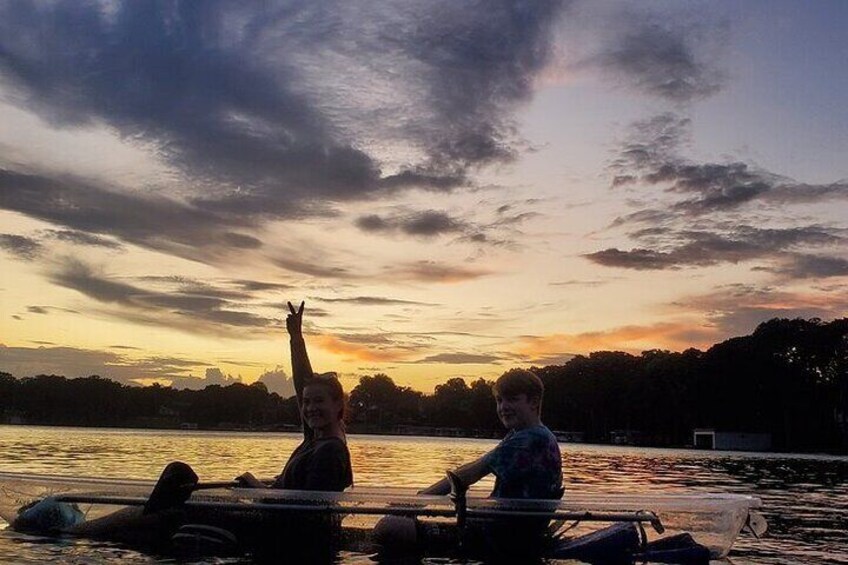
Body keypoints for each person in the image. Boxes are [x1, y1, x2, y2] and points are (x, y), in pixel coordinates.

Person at [374, 368, 562, 558]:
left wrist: (417, 502)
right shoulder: (533, 435)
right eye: (499, 400)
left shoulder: (530, 439)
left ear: (534, 402)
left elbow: (468, 474)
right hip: (505, 530)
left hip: (498, 537)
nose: (503, 407)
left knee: (390, 527)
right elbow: (474, 467)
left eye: (512, 399)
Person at [236, 300, 353, 492]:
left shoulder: (330, 451)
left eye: (319, 401)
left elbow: (307, 505)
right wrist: (296, 338)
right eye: (307, 402)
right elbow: (301, 383)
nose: (310, 408)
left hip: (283, 513)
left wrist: (255, 486)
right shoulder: (314, 440)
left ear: (338, 404)